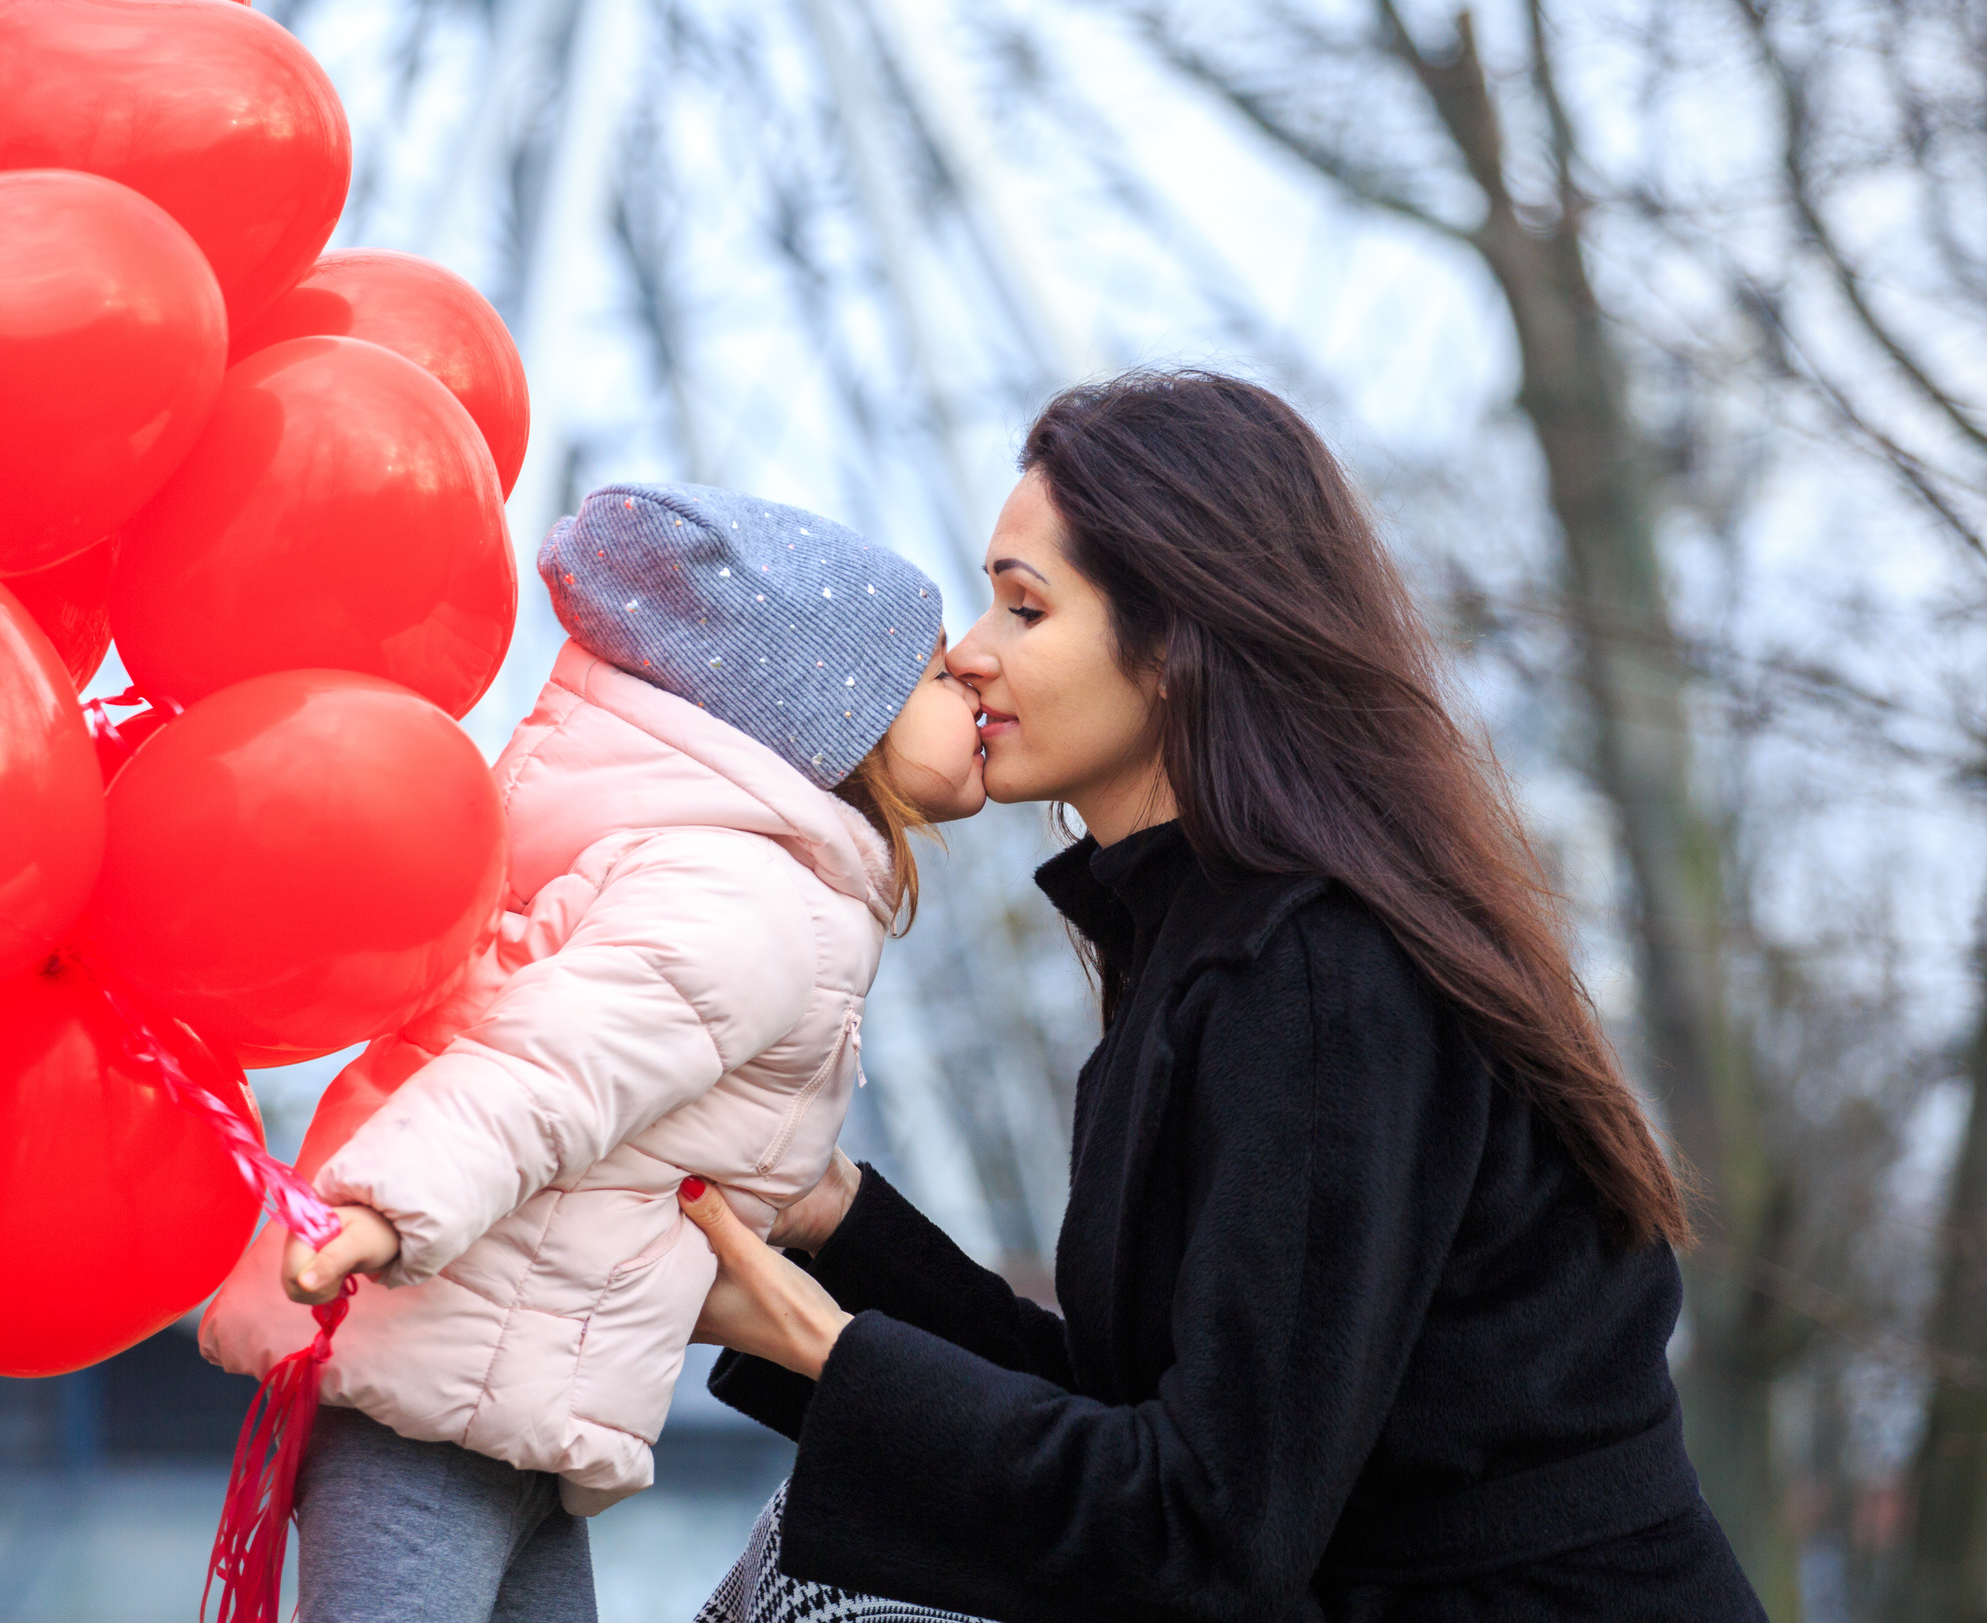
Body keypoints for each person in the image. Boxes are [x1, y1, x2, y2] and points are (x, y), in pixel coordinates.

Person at [678, 371, 1768, 1621]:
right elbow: (1129, 1418)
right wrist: (833, 1220)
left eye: (1023, 607)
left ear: (1178, 640)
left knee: (818, 1586)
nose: (969, 653)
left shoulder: (1318, 979)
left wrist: (823, 1346)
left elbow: (1207, 1526)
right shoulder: (1222, 946)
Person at [198, 482, 985, 1623]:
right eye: (935, 675)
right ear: (832, 715)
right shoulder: (745, 899)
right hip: (429, 1394)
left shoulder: (771, 891)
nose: (973, 692)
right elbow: (542, 1072)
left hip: (512, 1406)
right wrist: (384, 1210)